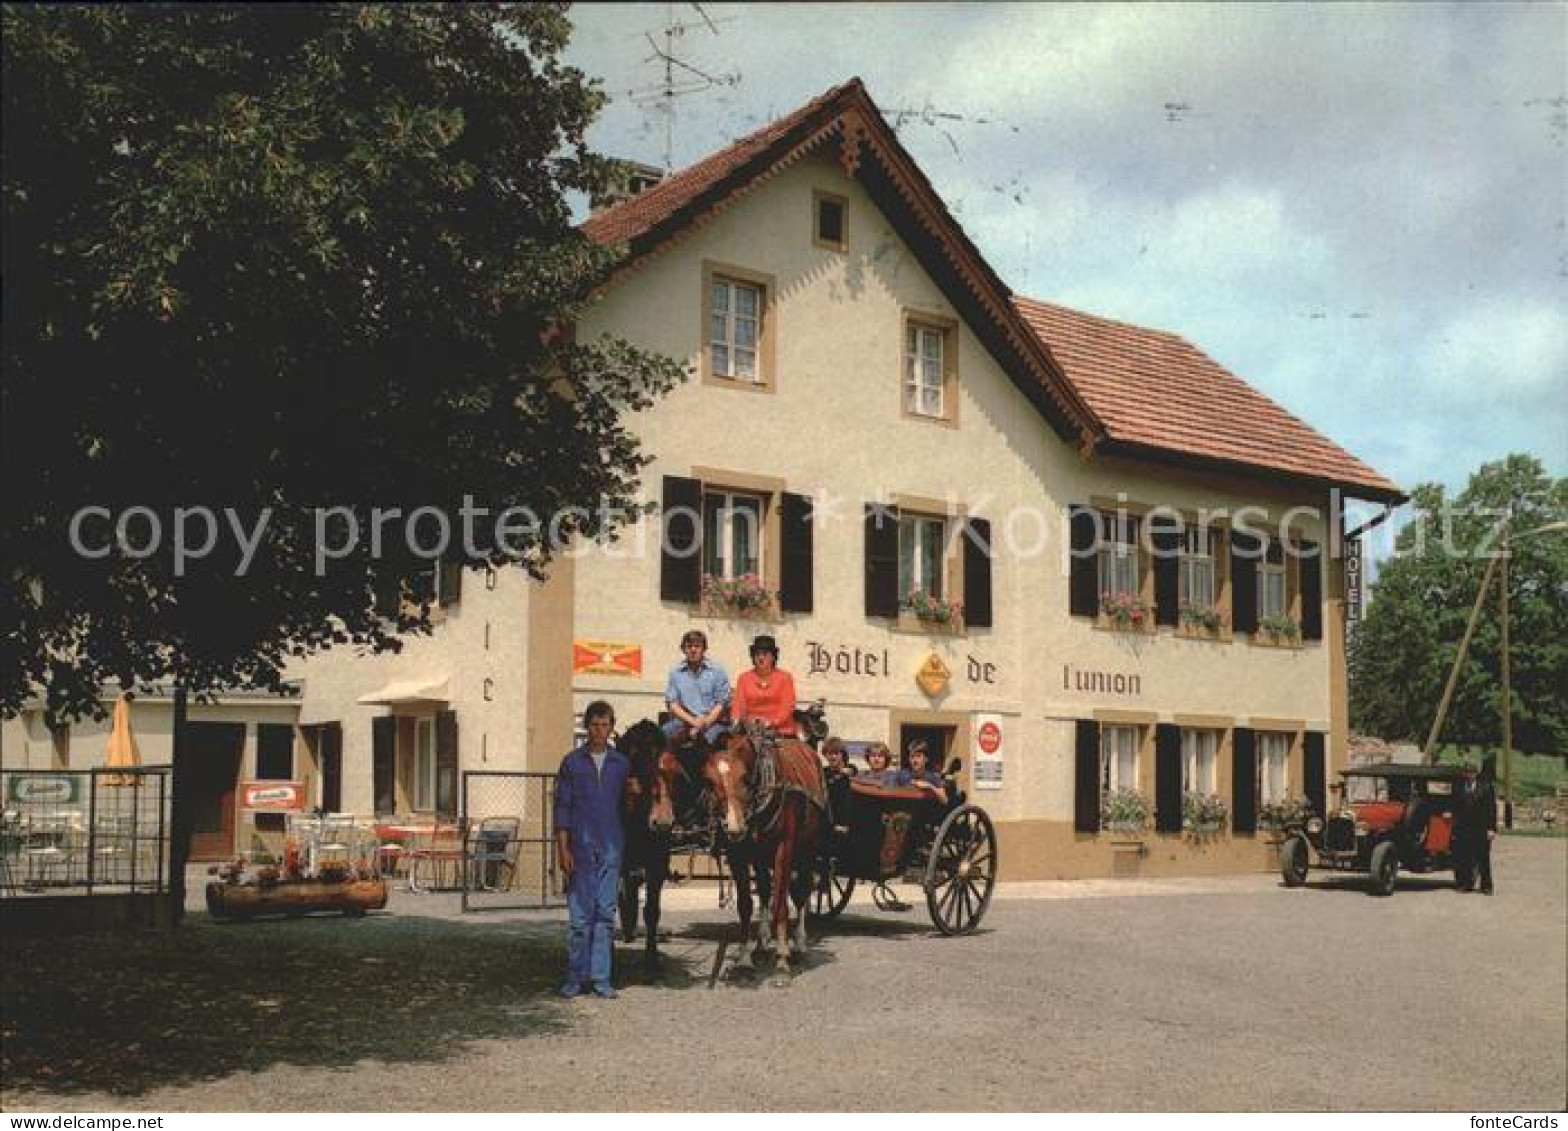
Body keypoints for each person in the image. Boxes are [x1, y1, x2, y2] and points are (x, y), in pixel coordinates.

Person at [553, 701, 631, 999]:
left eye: (605, 725)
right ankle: (575, 977)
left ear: (612, 727)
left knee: (605, 914)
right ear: (587, 727)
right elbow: (562, 808)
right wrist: (563, 848)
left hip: (611, 847)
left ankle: (601, 978)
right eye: (595, 725)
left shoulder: (620, 765)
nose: (600, 731)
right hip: (580, 848)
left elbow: (628, 808)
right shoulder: (572, 762)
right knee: (579, 918)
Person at [662, 629, 731, 751]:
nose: (693, 650)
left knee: (706, 745)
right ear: (683, 649)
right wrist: (693, 722)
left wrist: (703, 724)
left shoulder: (717, 672)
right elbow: (673, 704)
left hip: (712, 723)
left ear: (704, 649)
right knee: (659, 737)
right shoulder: (675, 673)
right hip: (684, 721)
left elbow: (721, 704)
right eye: (689, 646)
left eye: (697, 646)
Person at [730, 635, 799, 736]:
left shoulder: (785, 677)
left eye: (765, 654)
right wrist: (736, 721)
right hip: (751, 731)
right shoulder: (744, 678)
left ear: (773, 657)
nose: (761, 658)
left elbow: (787, 706)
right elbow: (738, 705)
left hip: (780, 731)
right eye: (757, 654)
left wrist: (771, 722)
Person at [1455, 756, 1499, 895]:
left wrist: (1491, 829)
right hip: (1464, 828)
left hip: (1481, 828)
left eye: (1472, 772)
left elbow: (1492, 809)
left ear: (1476, 774)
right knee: (1465, 857)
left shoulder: (1486, 787)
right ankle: (1466, 884)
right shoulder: (1459, 787)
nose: (1469, 775)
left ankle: (1486, 886)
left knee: (1483, 858)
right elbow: (1455, 806)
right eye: (1467, 772)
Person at [896, 739, 948, 805]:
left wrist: (930, 786)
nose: (915, 760)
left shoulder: (932, 777)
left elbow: (944, 800)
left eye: (918, 756)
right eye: (912, 757)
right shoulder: (901, 775)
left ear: (926, 759)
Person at [821, 737, 855, 835]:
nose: (833, 757)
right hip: (827, 825)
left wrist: (844, 824)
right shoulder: (823, 772)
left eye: (836, 753)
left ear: (842, 755)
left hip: (846, 826)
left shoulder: (850, 770)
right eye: (829, 754)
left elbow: (851, 771)